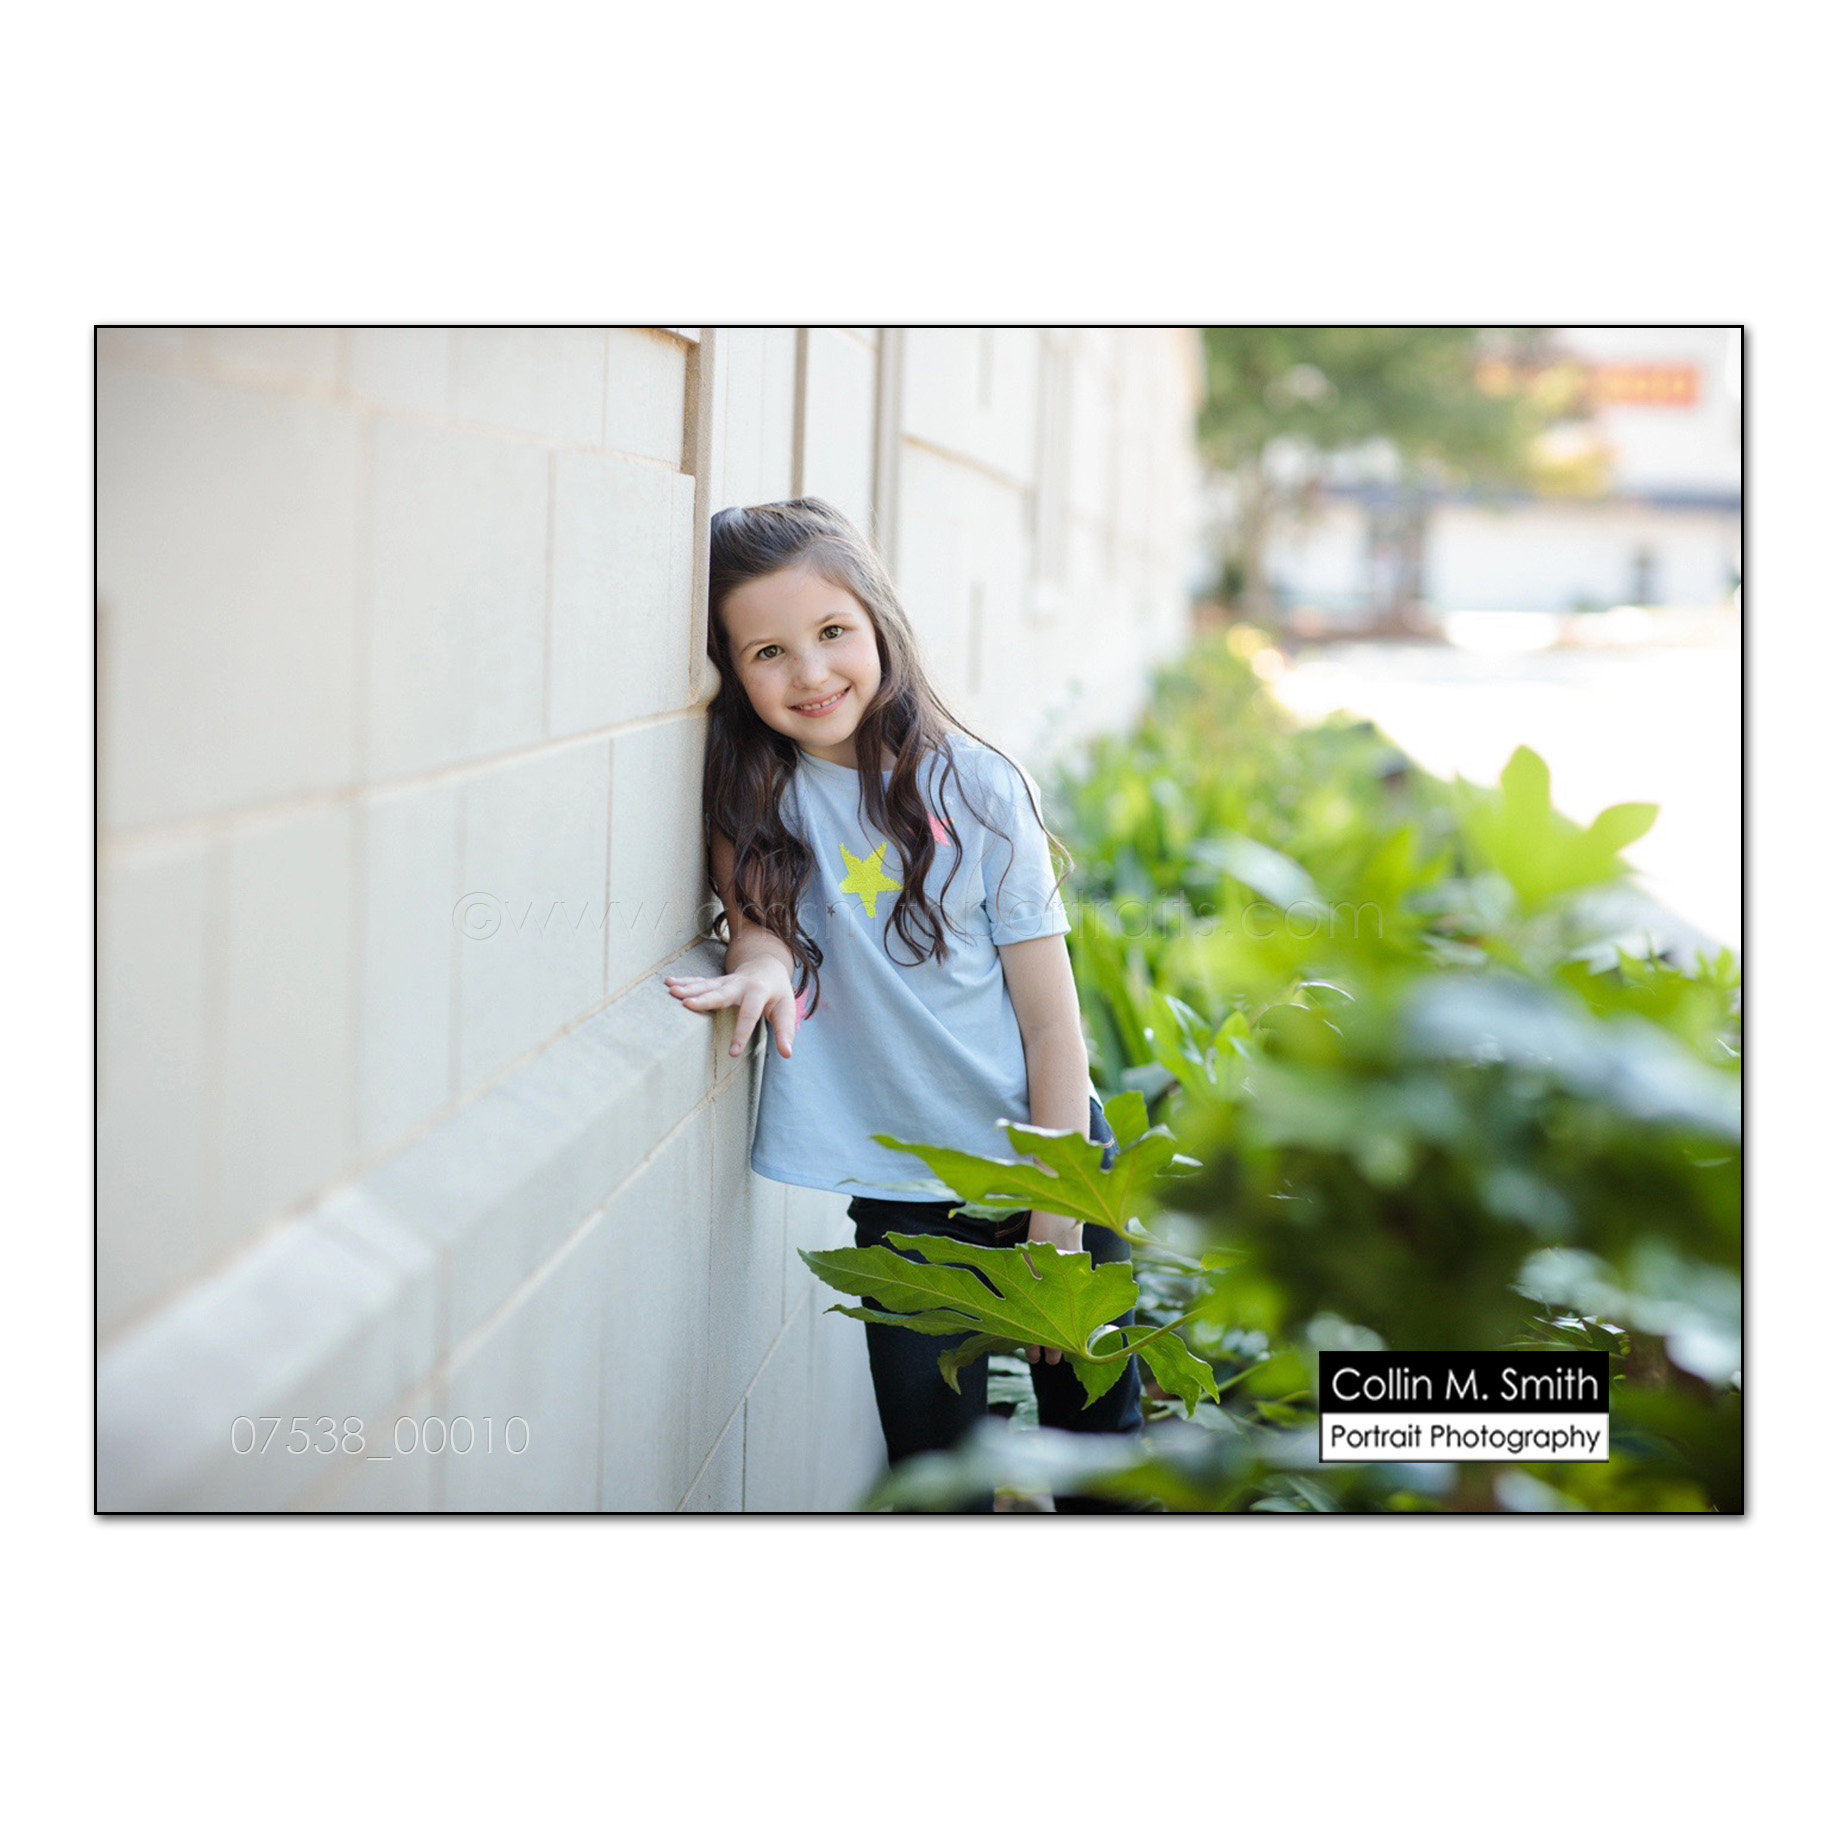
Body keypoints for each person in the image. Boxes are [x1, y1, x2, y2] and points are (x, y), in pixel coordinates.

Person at [663, 497, 1144, 1514]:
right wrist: (758, 965)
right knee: (935, 1472)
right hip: (904, 1202)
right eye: (768, 652)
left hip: (1050, 1162)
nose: (810, 672)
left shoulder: (977, 788)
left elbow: (1053, 1026)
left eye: (832, 631)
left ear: (879, 622)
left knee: (1101, 1455)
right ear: (731, 671)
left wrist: (1056, 1221)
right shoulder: (760, 792)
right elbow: (758, 922)